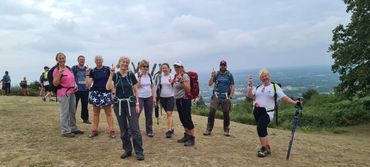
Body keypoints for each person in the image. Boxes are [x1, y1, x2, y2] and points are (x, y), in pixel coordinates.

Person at [247, 68, 301, 157]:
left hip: (267, 112)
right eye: (262, 77)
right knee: (262, 129)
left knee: (260, 127)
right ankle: (267, 147)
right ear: (260, 78)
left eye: (266, 76)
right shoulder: (258, 88)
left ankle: (263, 149)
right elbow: (250, 96)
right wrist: (249, 86)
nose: (264, 78)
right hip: (257, 111)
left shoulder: (275, 87)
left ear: (269, 76)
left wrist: (294, 103)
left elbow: (284, 97)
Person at [106, 56, 144, 161]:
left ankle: (139, 152)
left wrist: (137, 103)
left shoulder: (130, 74)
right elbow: (108, 87)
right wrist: (111, 74)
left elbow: (136, 90)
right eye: (123, 62)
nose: (125, 64)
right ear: (119, 63)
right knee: (123, 130)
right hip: (118, 105)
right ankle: (127, 150)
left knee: (135, 129)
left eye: (127, 62)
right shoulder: (116, 75)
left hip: (130, 103)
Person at [52, 52, 84, 138]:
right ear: (57, 60)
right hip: (63, 93)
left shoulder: (68, 68)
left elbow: (72, 79)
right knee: (65, 112)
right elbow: (55, 83)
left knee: (72, 111)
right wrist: (59, 74)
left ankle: (73, 128)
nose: (62, 60)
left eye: (63, 58)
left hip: (72, 92)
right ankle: (65, 131)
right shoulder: (56, 70)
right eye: (60, 58)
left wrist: (75, 85)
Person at [86, 55, 115, 138]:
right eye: (97, 60)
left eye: (100, 60)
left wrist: (113, 93)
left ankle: (111, 130)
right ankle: (94, 130)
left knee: (108, 113)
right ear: (95, 61)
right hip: (95, 93)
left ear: (102, 60)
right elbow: (88, 84)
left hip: (106, 93)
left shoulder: (107, 69)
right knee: (95, 113)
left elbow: (112, 82)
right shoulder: (93, 71)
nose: (98, 61)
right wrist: (87, 74)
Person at [203, 60, 235, 136]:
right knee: (211, 112)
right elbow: (210, 84)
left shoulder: (229, 75)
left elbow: (232, 86)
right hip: (216, 96)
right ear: (220, 66)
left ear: (226, 66)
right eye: (221, 65)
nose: (223, 66)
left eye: (224, 65)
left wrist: (230, 97)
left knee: (226, 114)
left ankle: (226, 130)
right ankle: (208, 129)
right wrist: (212, 76)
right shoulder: (216, 74)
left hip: (225, 96)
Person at [172, 61, 195, 146]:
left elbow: (188, 89)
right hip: (178, 100)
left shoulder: (185, 76)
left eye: (178, 67)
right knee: (183, 119)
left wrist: (181, 80)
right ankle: (186, 135)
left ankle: (192, 138)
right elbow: (174, 87)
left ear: (182, 67)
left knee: (187, 118)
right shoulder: (176, 76)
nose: (176, 68)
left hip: (184, 100)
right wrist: (173, 81)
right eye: (175, 67)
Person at [135, 59, 156, 137]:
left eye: (147, 66)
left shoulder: (150, 75)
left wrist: (154, 97)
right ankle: (133, 130)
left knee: (149, 114)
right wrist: (140, 77)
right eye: (144, 66)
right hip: (139, 97)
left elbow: (152, 87)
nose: (145, 68)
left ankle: (149, 131)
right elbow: (137, 86)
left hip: (149, 97)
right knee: (136, 114)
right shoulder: (136, 75)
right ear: (140, 67)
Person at [157, 63, 175, 138]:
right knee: (168, 114)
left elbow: (176, 86)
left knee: (169, 113)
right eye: (163, 68)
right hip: (162, 98)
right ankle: (172, 127)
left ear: (168, 68)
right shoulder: (160, 77)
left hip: (170, 97)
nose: (164, 69)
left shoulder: (172, 76)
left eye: (165, 68)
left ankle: (169, 130)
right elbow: (158, 87)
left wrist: (172, 83)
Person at [72, 55, 91, 124]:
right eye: (80, 59)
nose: (82, 61)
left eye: (83, 59)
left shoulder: (87, 69)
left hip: (85, 90)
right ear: (78, 60)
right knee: (74, 105)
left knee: (85, 105)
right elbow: (72, 77)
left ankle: (85, 119)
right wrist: (74, 84)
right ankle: (72, 119)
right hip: (76, 90)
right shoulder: (74, 68)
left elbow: (90, 77)